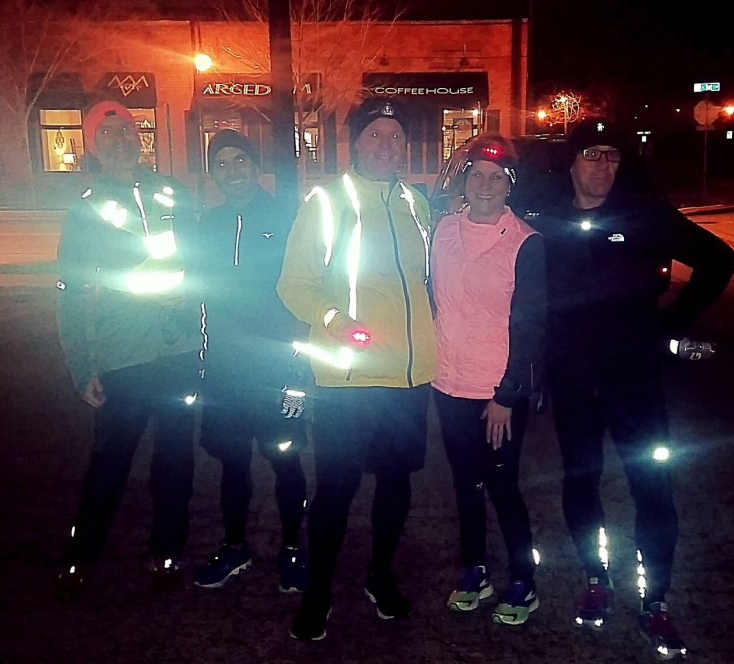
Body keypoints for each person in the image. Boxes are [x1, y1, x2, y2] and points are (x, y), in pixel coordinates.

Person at [525, 119, 734, 659]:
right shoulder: (545, 219)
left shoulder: (645, 216)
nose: (602, 166)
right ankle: (596, 578)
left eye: (612, 156)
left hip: (634, 380)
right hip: (573, 380)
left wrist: (672, 322)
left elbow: (720, 260)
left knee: (652, 484)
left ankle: (656, 600)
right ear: (571, 161)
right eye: (591, 154)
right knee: (580, 481)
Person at [276, 97, 437, 641]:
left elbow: (427, 284)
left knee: (395, 483)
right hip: (348, 377)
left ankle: (380, 574)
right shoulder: (326, 202)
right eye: (375, 134)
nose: (387, 145)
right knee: (336, 488)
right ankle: (319, 591)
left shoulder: (417, 204)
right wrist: (338, 322)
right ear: (356, 143)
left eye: (395, 135)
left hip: (409, 376)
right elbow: (294, 285)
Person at [52, 100, 202, 600]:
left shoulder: (173, 193)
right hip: (123, 354)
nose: (118, 141)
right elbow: (71, 292)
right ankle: (81, 555)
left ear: (140, 138)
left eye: (125, 131)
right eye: (106, 133)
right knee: (110, 460)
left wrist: (195, 307)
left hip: (178, 350)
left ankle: (167, 550)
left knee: (176, 459)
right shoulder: (86, 208)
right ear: (93, 146)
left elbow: (202, 262)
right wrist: (81, 366)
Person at [431, 134, 547, 626]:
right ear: (463, 181)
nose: (485, 184)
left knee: (502, 484)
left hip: (497, 391)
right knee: (465, 484)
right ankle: (474, 570)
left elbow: (531, 324)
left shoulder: (525, 242)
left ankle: (523, 580)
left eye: (496, 177)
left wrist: (507, 394)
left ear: (509, 184)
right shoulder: (442, 230)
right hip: (447, 383)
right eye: (476, 174)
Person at [187, 129, 309, 594]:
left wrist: (299, 368)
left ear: (256, 167)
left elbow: (305, 296)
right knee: (232, 462)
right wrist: (203, 363)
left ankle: (293, 548)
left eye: (240, 161)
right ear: (212, 173)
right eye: (221, 164)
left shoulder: (287, 220)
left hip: (278, 370)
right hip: (225, 370)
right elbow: (199, 297)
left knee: (286, 459)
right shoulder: (208, 225)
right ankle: (235, 547)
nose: (232, 171)